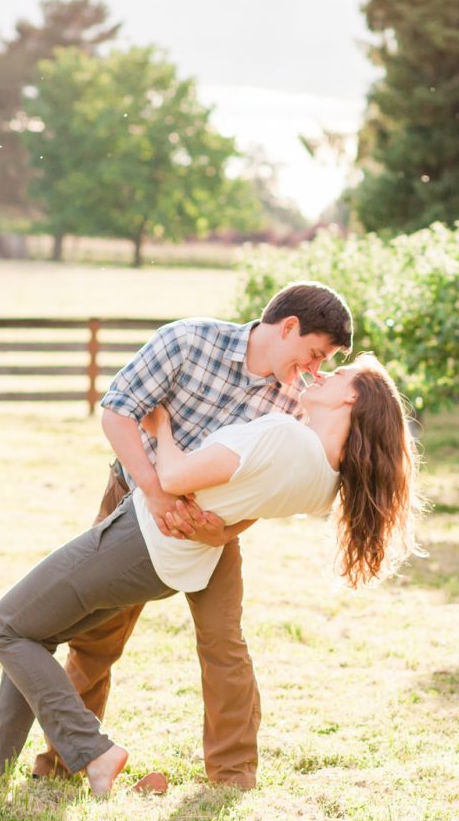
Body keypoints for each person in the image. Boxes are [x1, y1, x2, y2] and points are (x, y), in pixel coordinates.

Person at [0, 355, 422, 795]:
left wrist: (160, 425)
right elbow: (246, 500)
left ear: (352, 399)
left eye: (338, 373)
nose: (322, 373)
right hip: (173, 562)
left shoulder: (284, 435)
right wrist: (221, 527)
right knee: (33, 631)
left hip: (141, 538)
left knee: (4, 627)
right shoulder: (325, 484)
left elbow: (174, 477)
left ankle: (93, 751)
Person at [32, 282, 354, 789]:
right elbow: (117, 410)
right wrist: (156, 493)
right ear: (288, 327)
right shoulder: (189, 341)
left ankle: (232, 777)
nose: (314, 370)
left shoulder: (296, 400)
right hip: (133, 503)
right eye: (314, 354)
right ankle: (65, 759)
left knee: (224, 644)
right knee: (97, 638)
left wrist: (224, 530)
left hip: (213, 531)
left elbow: (271, 487)